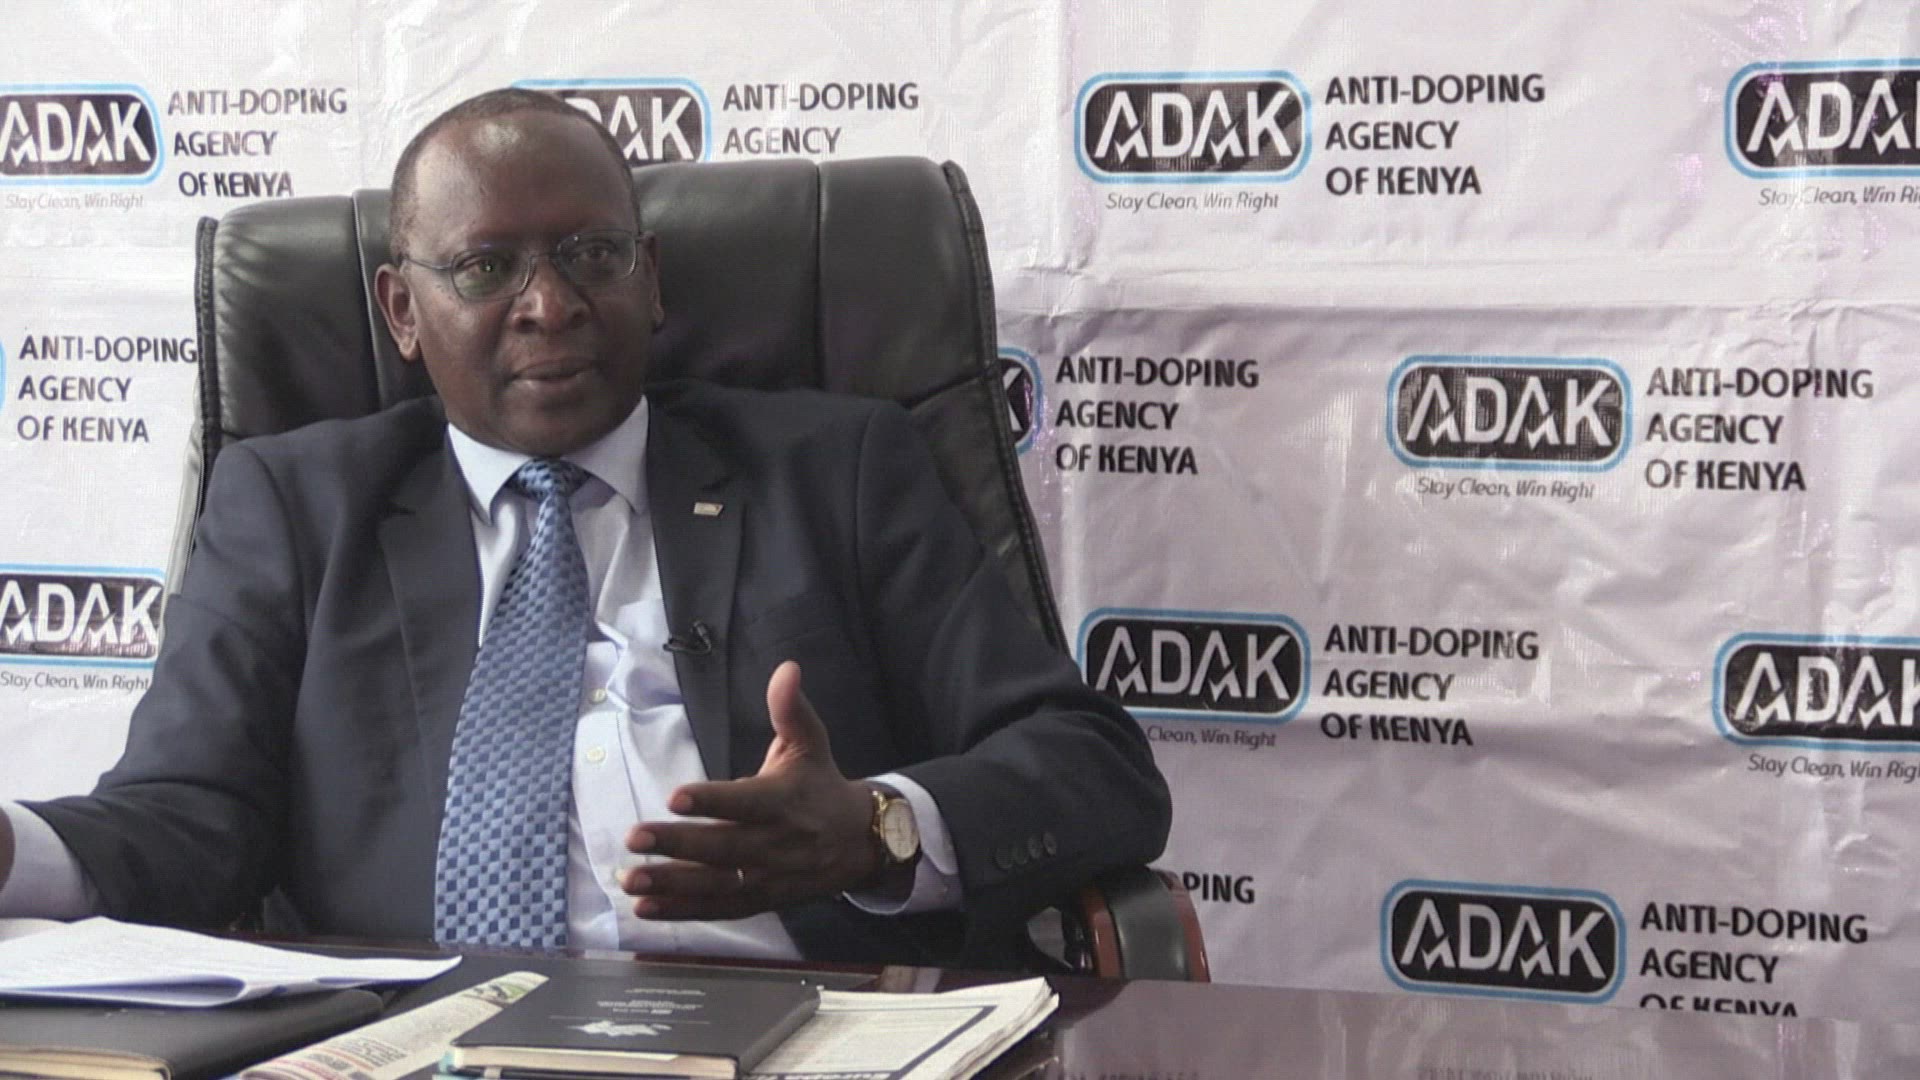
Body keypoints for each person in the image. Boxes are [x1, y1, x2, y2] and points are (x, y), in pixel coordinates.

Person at [0, 89, 1170, 967]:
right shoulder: (294, 506)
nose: (550, 305)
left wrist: (876, 829)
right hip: (414, 1037)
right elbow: (188, 818)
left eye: (592, 255)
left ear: (651, 279)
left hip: (798, 1024)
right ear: (401, 309)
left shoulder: (839, 468)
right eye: (485, 267)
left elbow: (1091, 766)